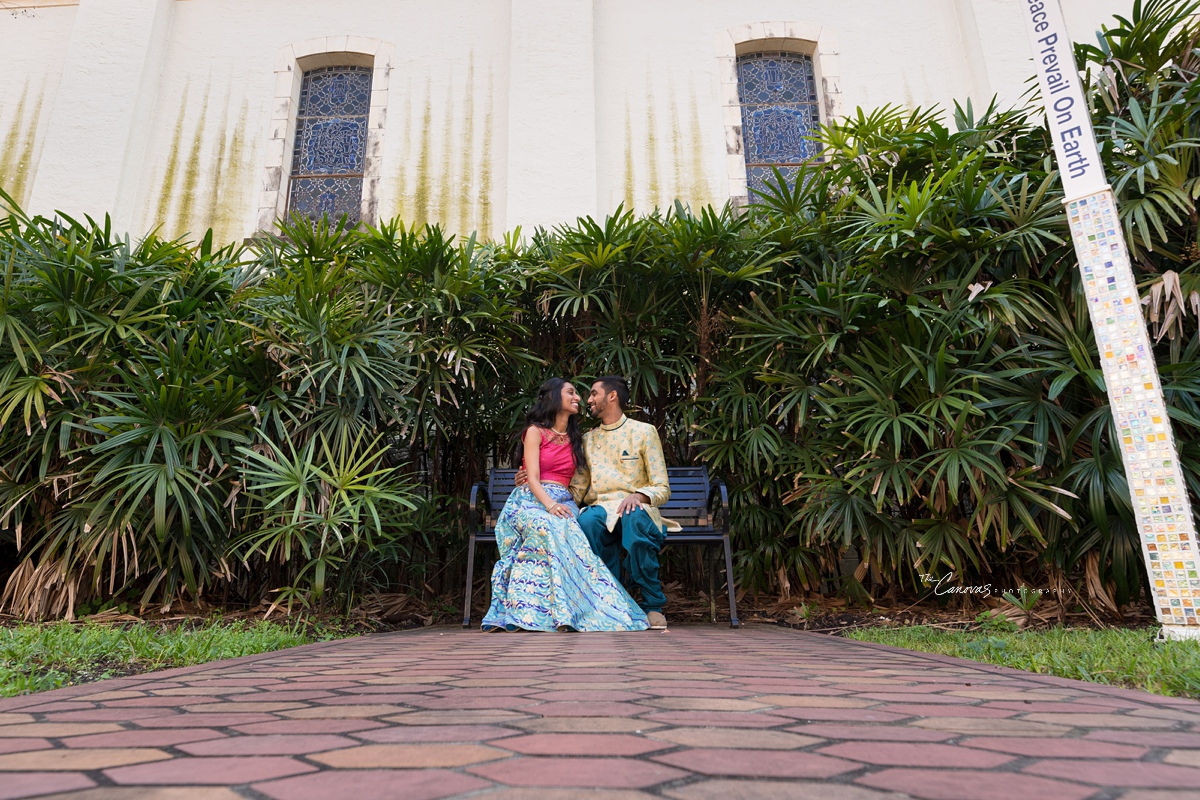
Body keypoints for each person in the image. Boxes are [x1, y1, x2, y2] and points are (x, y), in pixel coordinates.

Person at [480, 377, 649, 632]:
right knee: (546, 525)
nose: (578, 398)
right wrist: (548, 505)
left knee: (571, 531)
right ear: (554, 397)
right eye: (571, 392)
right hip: (530, 501)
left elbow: (587, 479)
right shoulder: (534, 432)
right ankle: (526, 613)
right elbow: (533, 478)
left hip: (564, 501)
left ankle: (568, 612)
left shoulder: (578, 438)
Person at [517, 376, 675, 630]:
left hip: (637, 507)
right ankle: (611, 601)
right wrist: (535, 483)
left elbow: (662, 487)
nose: (587, 400)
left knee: (633, 518)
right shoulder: (588, 440)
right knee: (586, 522)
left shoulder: (643, 432)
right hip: (601, 509)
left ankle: (652, 604)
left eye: (593, 394)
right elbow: (577, 487)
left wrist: (639, 496)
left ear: (611, 396)